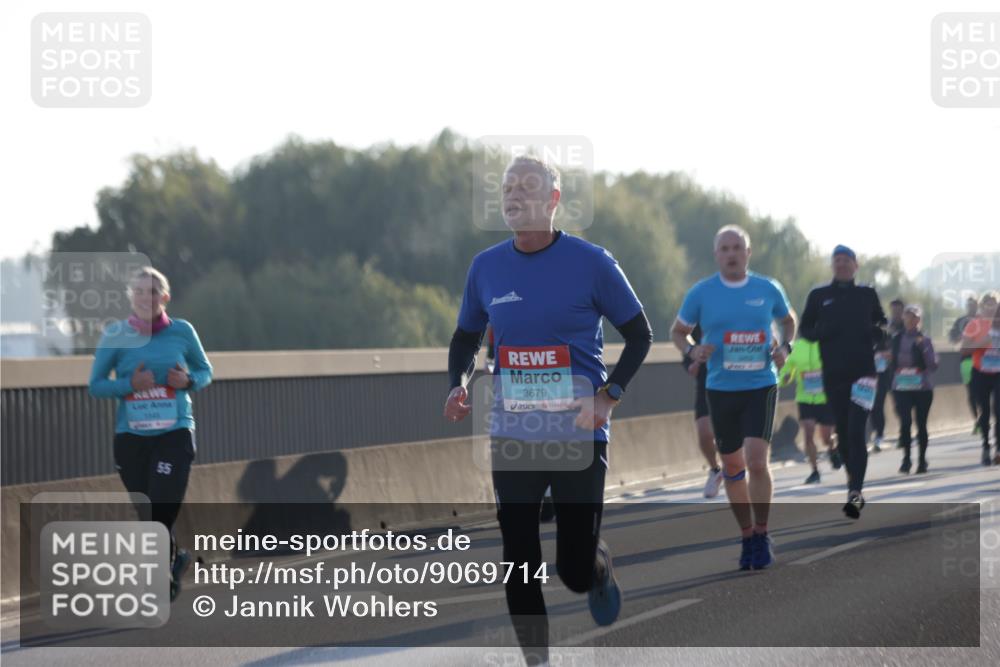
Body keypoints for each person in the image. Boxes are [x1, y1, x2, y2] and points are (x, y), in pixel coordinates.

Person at [444, 155, 652, 664]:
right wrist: (458, 382)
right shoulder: (486, 267)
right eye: (507, 187)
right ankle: (538, 661)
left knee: (573, 570)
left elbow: (640, 334)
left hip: (580, 432)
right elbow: (466, 336)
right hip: (514, 430)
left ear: (553, 200)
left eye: (526, 186)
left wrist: (609, 397)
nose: (512, 194)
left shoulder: (593, 262)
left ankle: (596, 567)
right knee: (518, 557)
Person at [671, 225, 796, 571]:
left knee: (757, 460)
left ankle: (762, 533)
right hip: (721, 387)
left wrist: (786, 347)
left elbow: (789, 321)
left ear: (748, 253)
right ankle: (746, 535)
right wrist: (693, 351)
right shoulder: (701, 293)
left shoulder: (767, 288)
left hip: (761, 384)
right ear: (716, 255)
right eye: (724, 248)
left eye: (737, 247)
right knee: (733, 467)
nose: (731, 254)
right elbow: (678, 332)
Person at [88, 267, 213, 601]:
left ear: (165, 297)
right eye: (140, 291)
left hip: (174, 431)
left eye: (154, 291)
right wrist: (130, 385)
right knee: (147, 511)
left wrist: (187, 382)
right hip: (131, 437)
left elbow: (205, 371)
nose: (147, 297)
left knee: (160, 502)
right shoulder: (116, 335)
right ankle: (174, 562)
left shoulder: (182, 332)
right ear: (131, 297)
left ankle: (161, 574)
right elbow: (96, 385)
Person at [800, 245, 887, 519]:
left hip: (863, 373)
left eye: (846, 260)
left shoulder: (866, 294)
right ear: (832, 265)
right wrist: (821, 332)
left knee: (855, 429)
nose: (841, 264)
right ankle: (853, 481)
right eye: (837, 260)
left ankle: (856, 493)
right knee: (845, 434)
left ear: (855, 265)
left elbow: (883, 324)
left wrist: (876, 333)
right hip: (834, 374)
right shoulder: (819, 296)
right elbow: (805, 329)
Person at [779, 337, 840, 484]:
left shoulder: (828, 344)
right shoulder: (797, 347)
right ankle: (814, 471)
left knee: (826, 438)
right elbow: (788, 369)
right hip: (805, 398)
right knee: (808, 433)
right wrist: (785, 376)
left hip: (825, 398)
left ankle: (833, 449)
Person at [889, 305, 938, 474]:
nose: (911, 320)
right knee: (905, 422)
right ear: (903, 319)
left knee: (921, 424)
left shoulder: (925, 340)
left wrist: (923, 347)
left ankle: (922, 460)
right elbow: (891, 361)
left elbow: (933, 365)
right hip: (901, 386)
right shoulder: (896, 339)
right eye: (908, 316)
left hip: (922, 387)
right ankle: (906, 459)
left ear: (919, 320)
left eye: (914, 317)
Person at [680, 325, 724, 498]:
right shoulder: (696, 321)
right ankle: (715, 469)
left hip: (730, 385)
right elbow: (685, 345)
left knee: (728, 436)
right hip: (705, 387)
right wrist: (693, 363)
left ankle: (734, 470)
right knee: (704, 434)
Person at [962, 292, 1000, 466]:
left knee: (999, 410)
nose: (991, 307)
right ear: (982, 306)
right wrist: (984, 342)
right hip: (980, 372)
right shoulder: (974, 325)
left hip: (998, 373)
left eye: (994, 304)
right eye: (987, 304)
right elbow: (964, 349)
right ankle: (985, 444)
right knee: (984, 412)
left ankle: (998, 448)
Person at [871, 298, 904, 452]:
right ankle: (879, 435)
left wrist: (894, 354)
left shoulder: (907, 327)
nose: (896, 314)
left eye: (899, 311)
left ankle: (904, 432)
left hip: (899, 371)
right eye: (893, 311)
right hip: (881, 371)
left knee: (900, 404)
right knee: (877, 403)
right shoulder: (883, 326)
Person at [950, 296, 981, 432]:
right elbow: (952, 337)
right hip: (967, 360)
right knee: (971, 393)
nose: (971, 307)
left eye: (973, 305)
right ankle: (977, 420)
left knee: (985, 391)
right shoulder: (961, 321)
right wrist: (959, 338)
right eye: (969, 305)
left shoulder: (984, 320)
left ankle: (985, 416)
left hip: (983, 360)